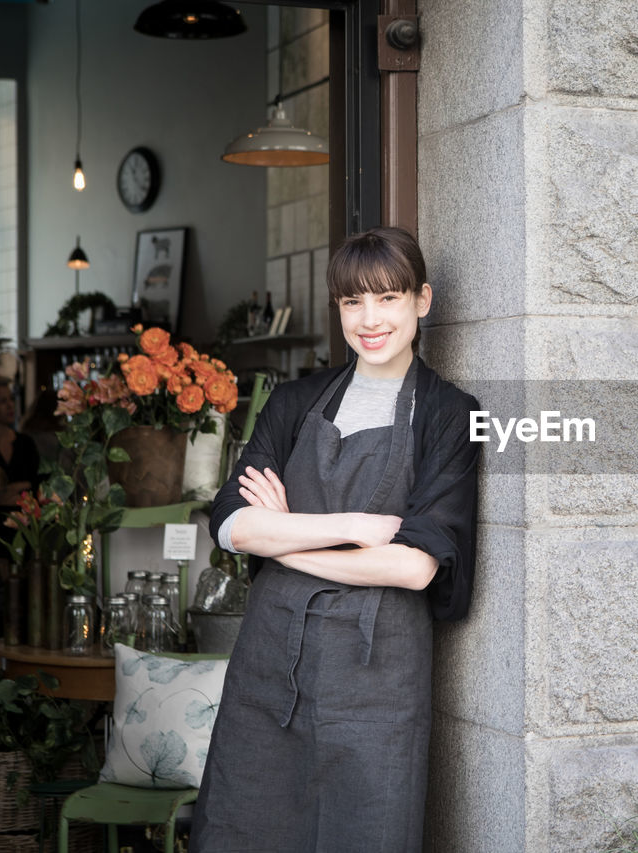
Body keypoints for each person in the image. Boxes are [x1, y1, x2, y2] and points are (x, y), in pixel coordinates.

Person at [191, 227, 480, 852]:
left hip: (378, 679)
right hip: (270, 664)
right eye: (353, 302)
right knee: (246, 828)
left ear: (422, 301)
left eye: (388, 298)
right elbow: (231, 523)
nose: (369, 319)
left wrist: (284, 543)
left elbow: (415, 568)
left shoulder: (447, 414)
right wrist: (349, 530)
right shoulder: (294, 402)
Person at [0, 376, 41, 546]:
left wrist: (11, 493)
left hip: (25, 529)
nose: (10, 406)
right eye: (2, 401)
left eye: (11, 399)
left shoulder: (25, 444)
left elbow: (34, 485)